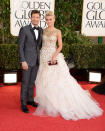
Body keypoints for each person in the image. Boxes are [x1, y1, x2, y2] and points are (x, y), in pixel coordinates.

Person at [34, 11, 103, 120]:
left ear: (54, 19)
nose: (48, 21)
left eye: (50, 19)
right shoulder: (43, 31)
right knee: (44, 79)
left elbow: (60, 46)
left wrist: (54, 56)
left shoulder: (58, 31)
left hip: (53, 56)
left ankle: (57, 102)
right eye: (47, 19)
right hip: (43, 57)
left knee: (56, 80)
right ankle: (47, 101)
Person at [18, 10, 43, 113]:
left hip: (36, 61)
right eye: (34, 17)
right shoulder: (24, 29)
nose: (35, 19)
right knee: (25, 82)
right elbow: (20, 46)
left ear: (39, 18)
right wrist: (23, 60)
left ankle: (30, 100)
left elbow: (39, 46)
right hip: (27, 61)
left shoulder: (41, 30)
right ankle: (23, 103)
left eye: (37, 17)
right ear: (31, 18)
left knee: (32, 82)